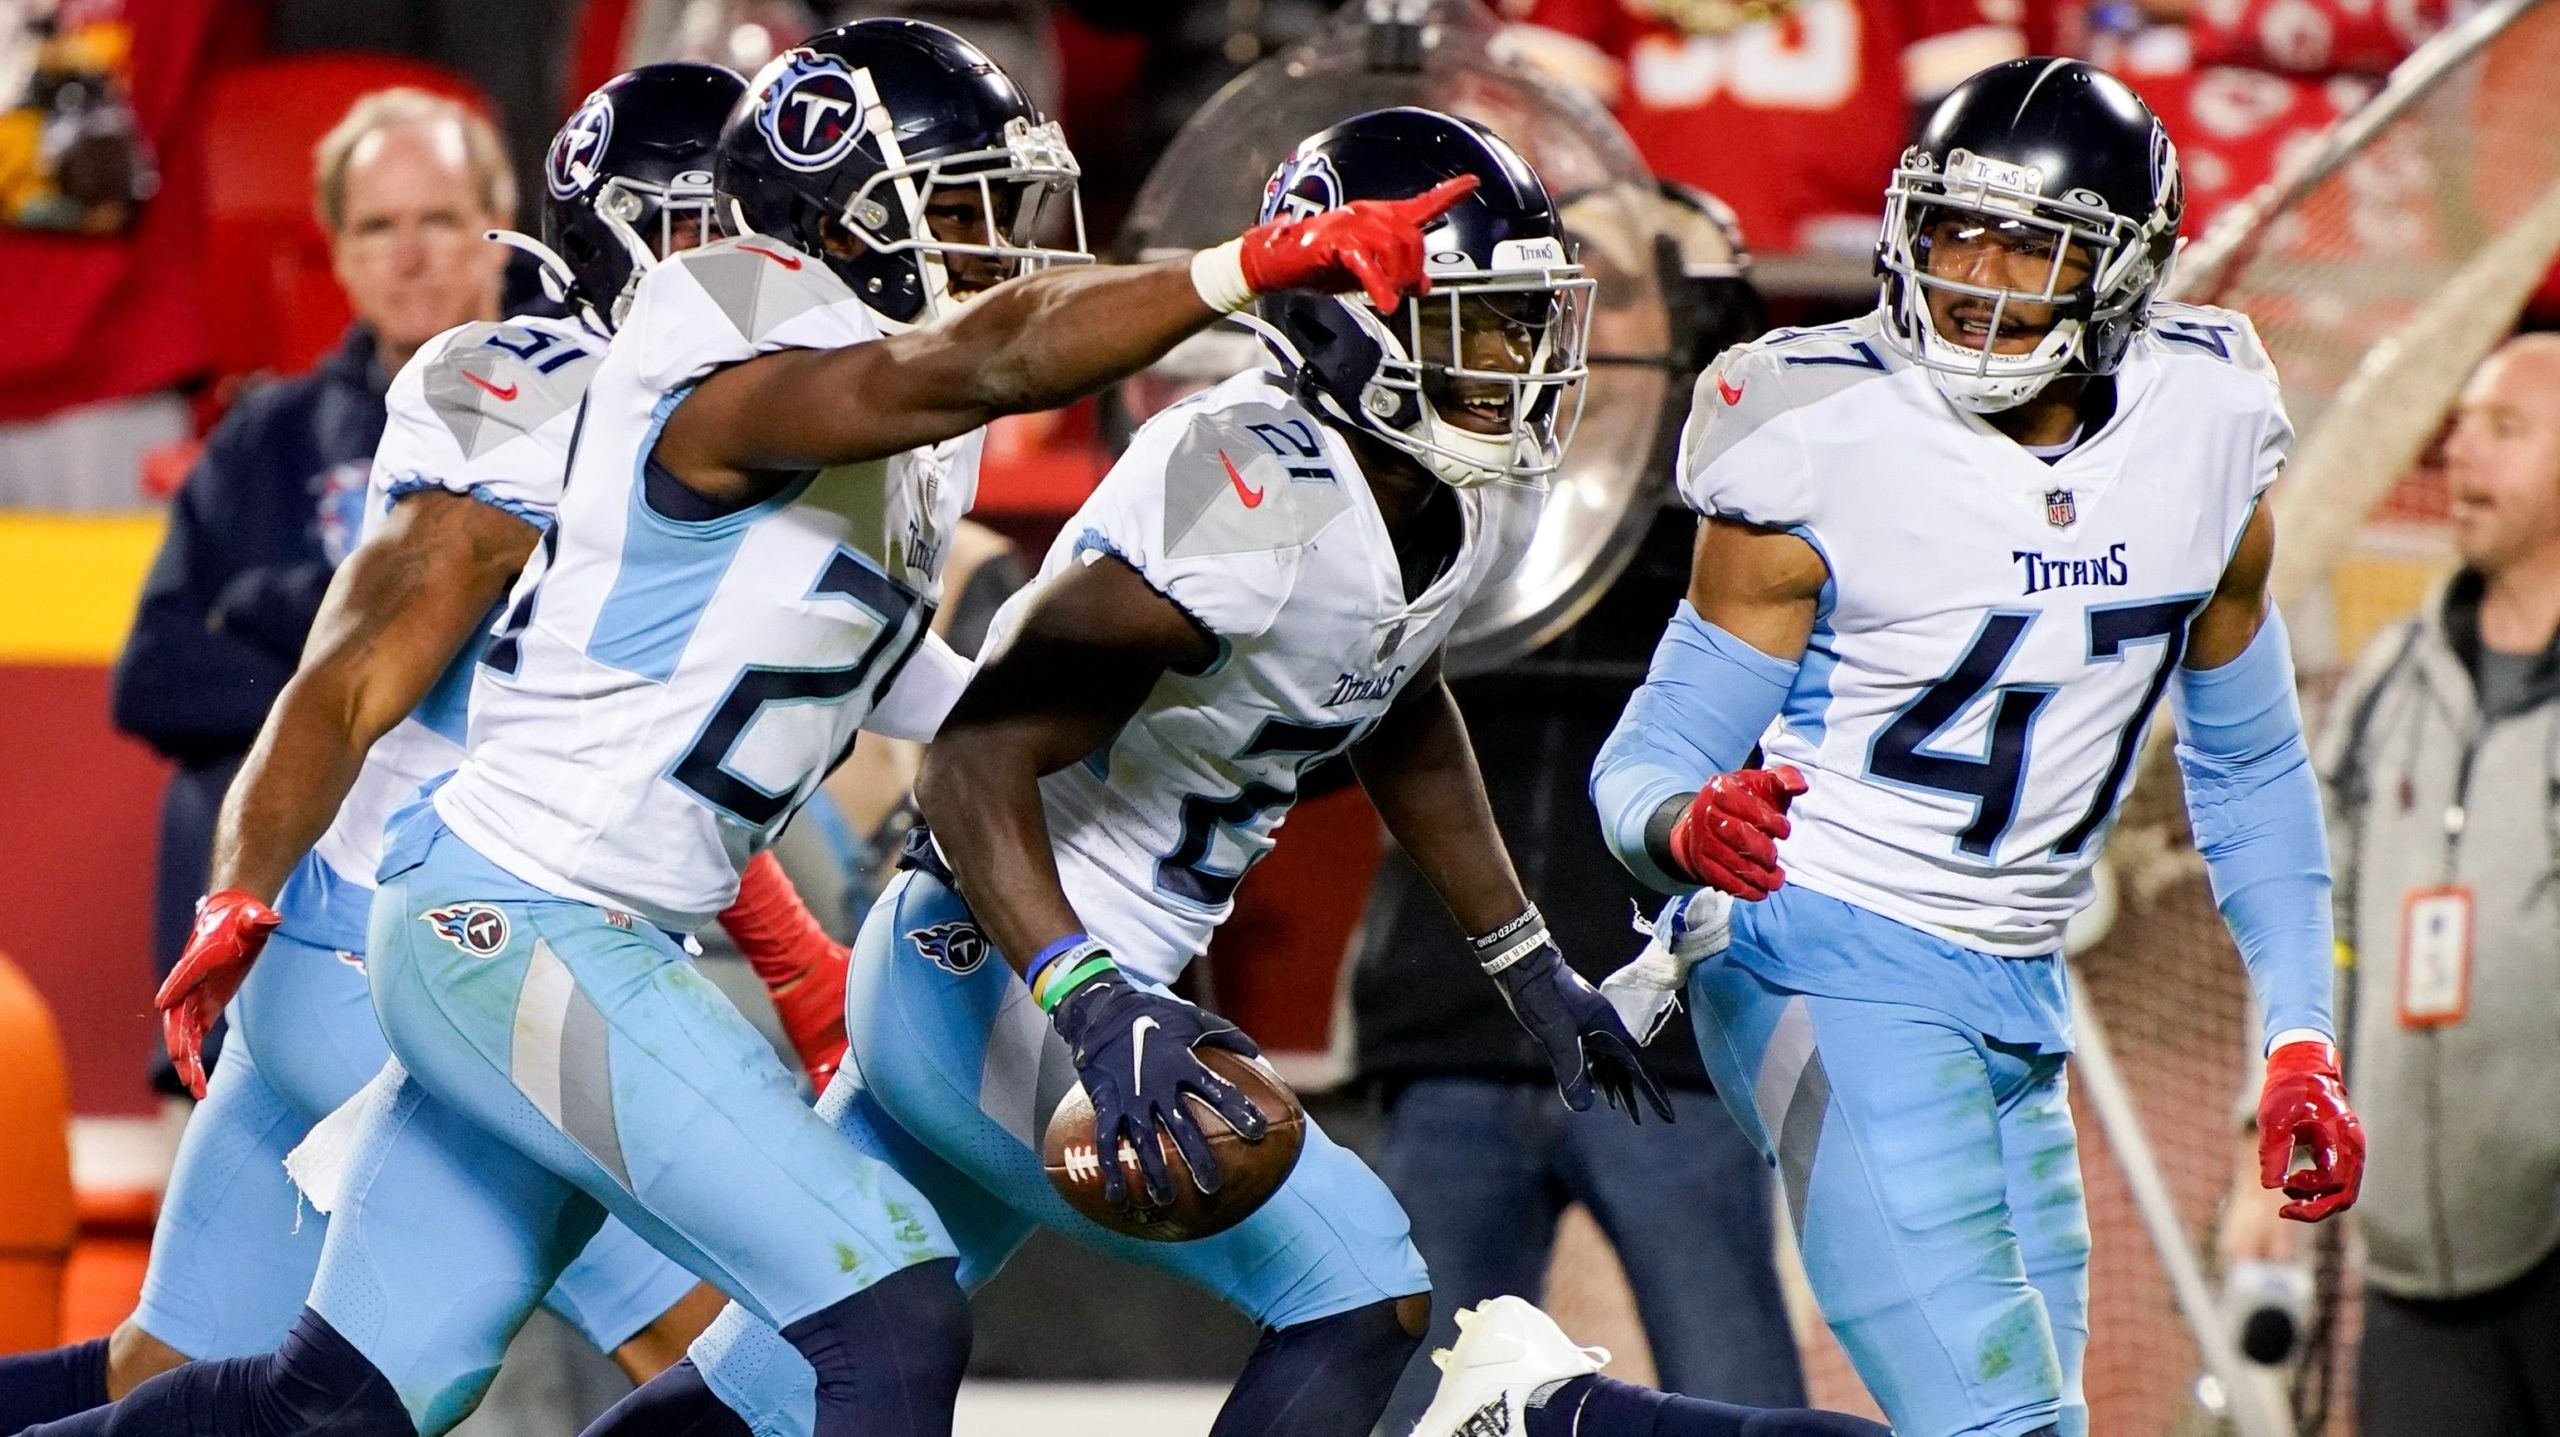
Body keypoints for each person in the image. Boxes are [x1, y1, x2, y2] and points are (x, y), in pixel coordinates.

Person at [76, 21, 1467, 1437]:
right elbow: (964, 369)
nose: (1005, 244)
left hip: (571, 920)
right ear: (840, 210)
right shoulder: (733, 337)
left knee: (347, 1406)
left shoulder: (898, 413)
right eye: (967, 204)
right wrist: (1243, 268)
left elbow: (889, 674)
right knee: (886, 1307)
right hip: (517, 916)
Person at [603, 104, 1911, 1437]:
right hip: (1003, 969)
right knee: (1360, 1290)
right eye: (1486, 321)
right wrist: (1090, 998)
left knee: (758, 1389)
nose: (1522, 361)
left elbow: (1396, 700)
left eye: (1531, 322)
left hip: (1055, 979)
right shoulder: (1251, 484)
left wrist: (1526, 962)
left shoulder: (1438, 493)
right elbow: (968, 761)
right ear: (1358, 321)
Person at [1565, 59, 2367, 1437]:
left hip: (2015, 978)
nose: (1974, 276)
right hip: (1812, 944)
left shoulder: (2207, 426)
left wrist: (2301, 1036)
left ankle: (1570, 1421)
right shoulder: (1815, 429)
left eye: (2027, 241)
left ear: (2122, 274)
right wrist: (1683, 828)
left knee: (2033, 1415)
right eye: (1951, 231)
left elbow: (2250, 770)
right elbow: (1644, 759)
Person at [0, 65, 777, 1437]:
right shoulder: (562, 404)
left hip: (336, 934)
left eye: (441, 220)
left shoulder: (636, 400)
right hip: (439, 956)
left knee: (165, 1382)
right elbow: (318, 678)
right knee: (746, 1342)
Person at [1354, 178, 1805, 1432]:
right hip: (1447, 1019)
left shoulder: (1734, 518)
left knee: (1735, 1391)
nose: (1577, 317)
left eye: (1623, 285)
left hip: (1666, 1035)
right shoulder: (1458, 494)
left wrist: (1709, 336)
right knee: (1411, 1411)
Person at [106, 86, 514, 1095]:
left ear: (499, 234)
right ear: (337, 251)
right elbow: (153, 679)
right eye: (379, 226)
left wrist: (278, 610)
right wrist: (349, 687)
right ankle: (212, 1083)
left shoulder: (578, 405)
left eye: (439, 221)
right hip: (331, 801)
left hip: (511, 780)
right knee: (211, 788)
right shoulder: (265, 438)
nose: (409, 254)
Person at [2218, 332, 2560, 1437]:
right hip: (2409, 1280)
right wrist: (2258, 1140)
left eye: (2505, 429)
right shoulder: (2383, 690)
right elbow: (2316, 924)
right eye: (2461, 423)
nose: (2459, 451)